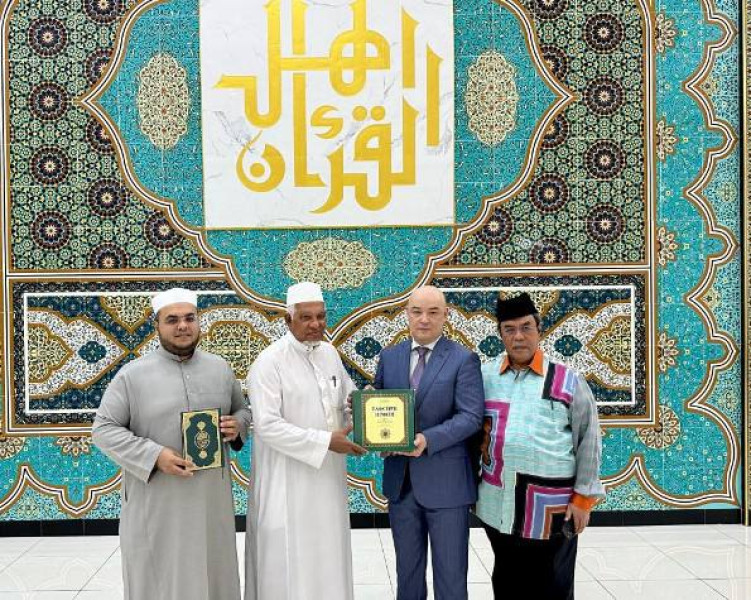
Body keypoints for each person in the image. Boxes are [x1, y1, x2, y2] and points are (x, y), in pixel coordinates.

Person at [92, 287, 252, 600]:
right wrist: (155, 455)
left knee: (213, 574)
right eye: (172, 320)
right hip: (158, 501)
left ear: (198, 321)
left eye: (189, 318)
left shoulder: (219, 368)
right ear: (157, 325)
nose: (182, 326)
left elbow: (242, 410)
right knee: (161, 578)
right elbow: (104, 429)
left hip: (211, 501)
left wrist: (238, 425)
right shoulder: (132, 376)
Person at [475, 292, 605, 600]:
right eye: (509, 329)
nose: (518, 336)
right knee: (507, 583)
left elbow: (589, 438)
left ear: (539, 329)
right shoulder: (485, 377)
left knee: (553, 587)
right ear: (500, 335)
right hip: (498, 506)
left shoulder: (567, 380)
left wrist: (583, 499)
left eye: (526, 327)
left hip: (552, 509)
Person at [245, 281, 366, 600]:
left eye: (321, 316)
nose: (315, 324)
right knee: (288, 559)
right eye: (306, 317)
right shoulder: (269, 362)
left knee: (328, 553)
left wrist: (365, 411)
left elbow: (348, 400)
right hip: (287, 483)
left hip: (328, 479)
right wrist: (325, 442)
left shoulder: (330, 354)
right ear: (288, 320)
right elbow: (267, 426)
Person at [374, 285, 484, 600]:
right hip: (401, 484)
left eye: (433, 312)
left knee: (450, 577)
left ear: (446, 315)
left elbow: (471, 417)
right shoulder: (390, 357)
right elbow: (380, 402)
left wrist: (427, 439)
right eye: (417, 311)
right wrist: (367, 409)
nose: (424, 319)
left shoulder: (463, 359)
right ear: (406, 314)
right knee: (407, 575)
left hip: (447, 485)